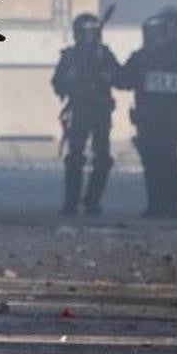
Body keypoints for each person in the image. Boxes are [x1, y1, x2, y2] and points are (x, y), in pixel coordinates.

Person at [116, 7, 177, 218]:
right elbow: (123, 80)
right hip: (154, 120)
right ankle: (161, 206)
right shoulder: (146, 55)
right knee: (155, 163)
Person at [51, 13, 120, 216]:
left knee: (102, 159)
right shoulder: (70, 56)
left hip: (100, 111)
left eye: (92, 31)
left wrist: (107, 74)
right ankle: (71, 202)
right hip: (79, 109)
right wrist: (69, 77)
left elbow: (119, 77)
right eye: (85, 32)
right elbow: (57, 83)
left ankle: (92, 201)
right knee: (74, 158)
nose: (89, 36)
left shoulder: (104, 54)